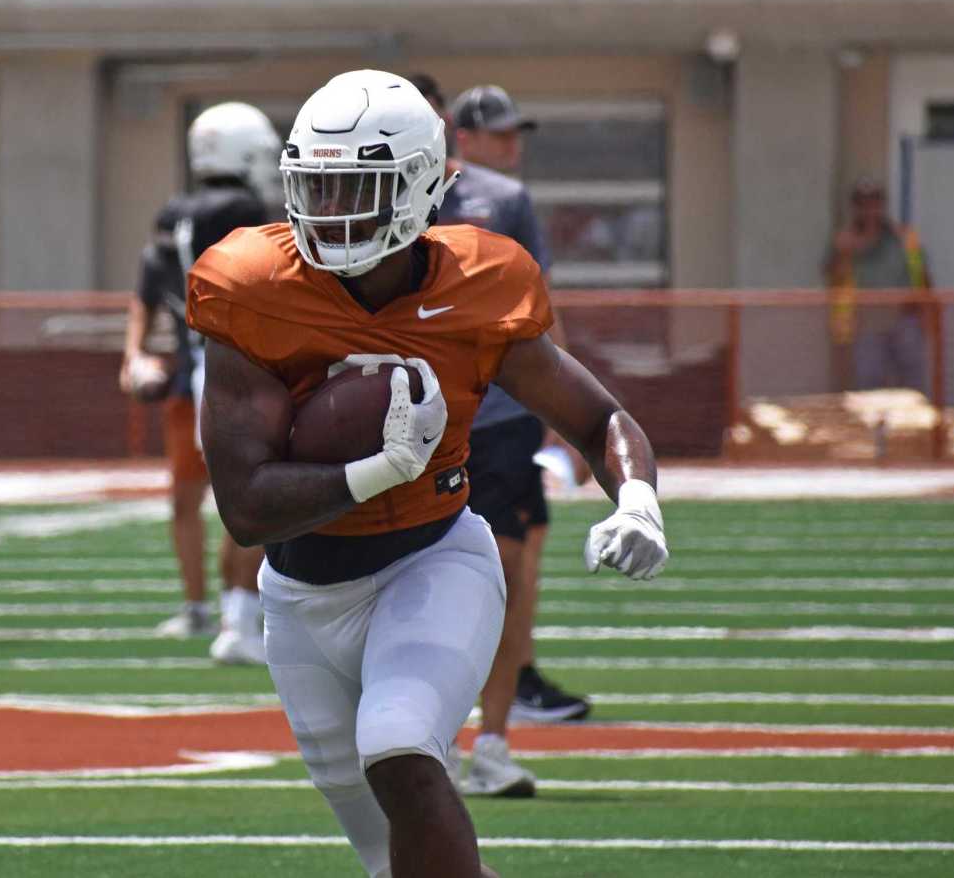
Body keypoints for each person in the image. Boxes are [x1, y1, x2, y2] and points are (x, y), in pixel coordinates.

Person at [188, 69, 668, 878]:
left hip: (431, 561)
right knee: (393, 859)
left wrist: (639, 501)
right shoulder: (251, 284)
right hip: (301, 598)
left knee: (401, 750)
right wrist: (379, 469)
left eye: (356, 187)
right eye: (317, 186)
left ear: (418, 184)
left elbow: (597, 418)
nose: (330, 209)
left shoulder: (480, 282)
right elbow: (245, 508)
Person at [411, 74, 592, 798]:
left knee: (507, 572)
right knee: (407, 581)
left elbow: (536, 306)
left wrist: (568, 414)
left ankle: (491, 741)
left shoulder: (501, 199)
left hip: (497, 415)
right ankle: (421, 740)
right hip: (402, 420)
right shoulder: (362, 198)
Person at [120, 102, 280, 665]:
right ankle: (239, 620)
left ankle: (205, 609)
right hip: (237, 370)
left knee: (193, 499)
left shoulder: (174, 213)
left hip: (192, 372)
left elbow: (149, 287)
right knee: (256, 497)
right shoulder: (242, 211)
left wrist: (134, 354)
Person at [824, 177, 933, 393]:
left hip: (904, 319)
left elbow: (923, 276)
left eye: (874, 204)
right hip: (866, 322)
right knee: (869, 382)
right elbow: (831, 276)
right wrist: (846, 251)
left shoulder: (903, 237)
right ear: (855, 208)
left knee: (912, 382)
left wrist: (926, 313)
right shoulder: (844, 240)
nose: (869, 210)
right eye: (863, 204)